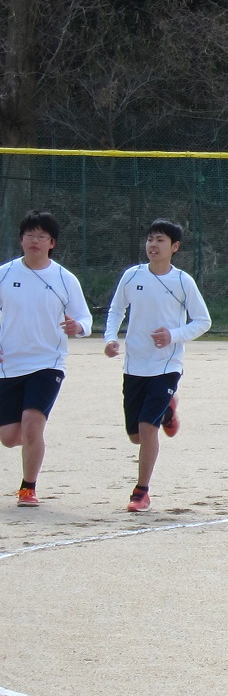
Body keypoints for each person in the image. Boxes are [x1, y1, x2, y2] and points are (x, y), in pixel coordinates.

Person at [104, 218, 212, 512]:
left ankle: (141, 493)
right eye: (150, 239)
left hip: (167, 365)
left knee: (147, 429)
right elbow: (116, 309)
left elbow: (203, 321)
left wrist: (173, 335)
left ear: (174, 247)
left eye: (160, 240)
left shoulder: (183, 281)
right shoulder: (132, 276)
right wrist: (111, 338)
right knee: (135, 436)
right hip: (134, 365)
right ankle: (168, 411)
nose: (153, 245)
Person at [0, 211, 91, 508]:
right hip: (9, 364)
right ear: (21, 240)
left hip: (48, 363)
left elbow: (84, 318)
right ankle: (31, 442)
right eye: (30, 235)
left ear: (52, 243)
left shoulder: (65, 278)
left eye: (42, 236)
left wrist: (78, 327)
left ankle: (28, 488)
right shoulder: (5, 274)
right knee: (9, 437)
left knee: (31, 424)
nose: (35, 241)